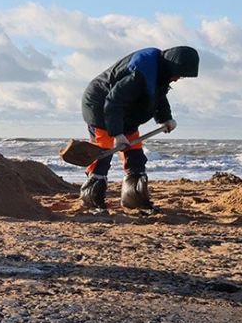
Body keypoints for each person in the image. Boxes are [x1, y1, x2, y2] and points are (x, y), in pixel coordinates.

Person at [79, 46, 199, 213]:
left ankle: (134, 199)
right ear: (172, 66)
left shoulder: (160, 72)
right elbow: (114, 101)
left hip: (126, 112)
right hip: (100, 106)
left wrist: (165, 118)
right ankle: (91, 200)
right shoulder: (139, 72)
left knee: (135, 154)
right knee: (103, 151)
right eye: (178, 74)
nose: (177, 79)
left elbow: (159, 95)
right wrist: (117, 133)